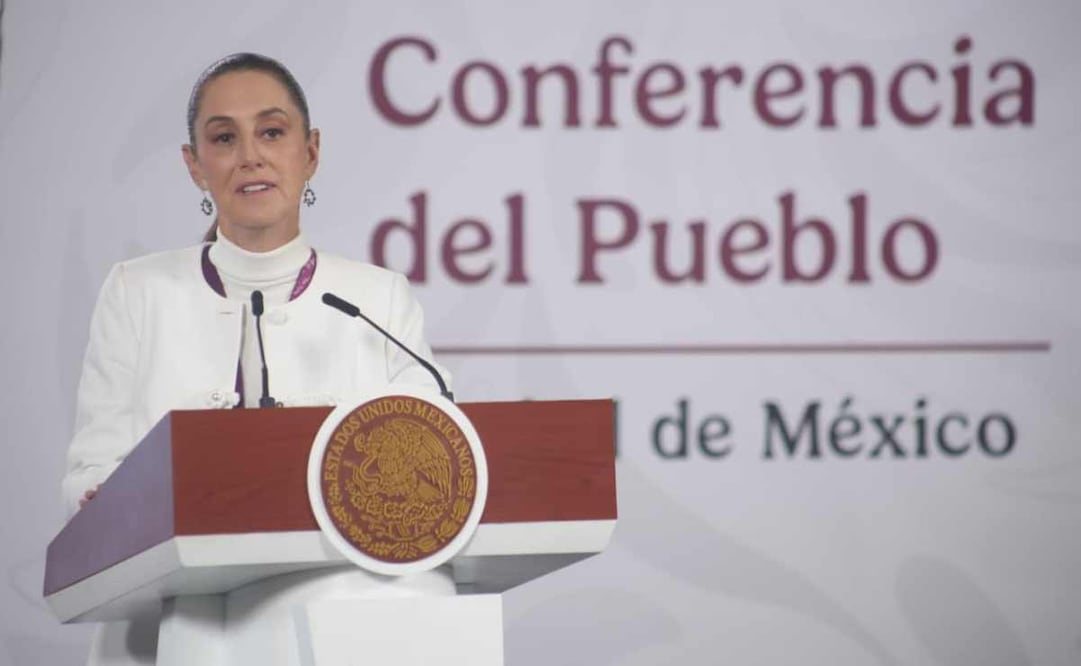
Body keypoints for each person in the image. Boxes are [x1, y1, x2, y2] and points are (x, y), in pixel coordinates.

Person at [63, 53, 451, 665]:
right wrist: (108, 496)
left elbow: (433, 457)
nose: (251, 155)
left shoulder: (378, 298)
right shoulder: (137, 291)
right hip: (168, 620)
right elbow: (91, 469)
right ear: (195, 165)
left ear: (311, 152)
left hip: (343, 619)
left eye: (272, 132)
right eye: (224, 138)